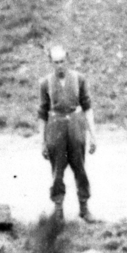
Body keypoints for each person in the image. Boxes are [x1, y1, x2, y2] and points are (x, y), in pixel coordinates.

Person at [38, 45, 98, 223]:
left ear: (67, 59)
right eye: (56, 62)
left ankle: (84, 208)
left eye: (62, 61)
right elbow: (42, 113)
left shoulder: (79, 79)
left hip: (75, 125)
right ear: (51, 62)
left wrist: (93, 135)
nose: (59, 66)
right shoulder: (45, 83)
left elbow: (87, 107)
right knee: (57, 171)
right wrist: (42, 141)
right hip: (55, 128)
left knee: (80, 168)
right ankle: (58, 210)